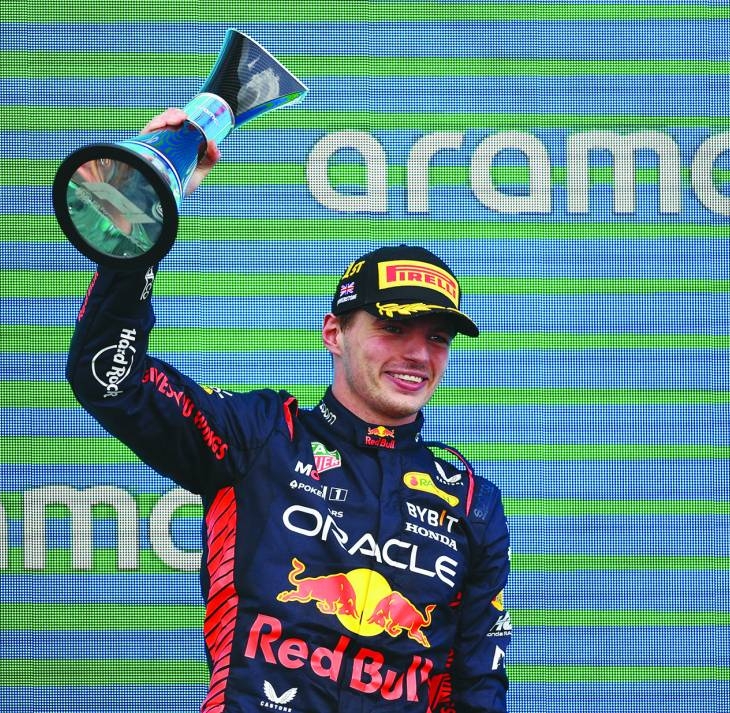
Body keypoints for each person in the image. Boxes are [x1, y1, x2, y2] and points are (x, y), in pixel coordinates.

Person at [66, 108, 511, 712]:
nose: (417, 354)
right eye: (393, 327)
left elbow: (478, 684)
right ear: (334, 333)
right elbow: (110, 380)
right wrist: (138, 217)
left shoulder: (468, 499)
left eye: (437, 337)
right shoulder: (258, 437)